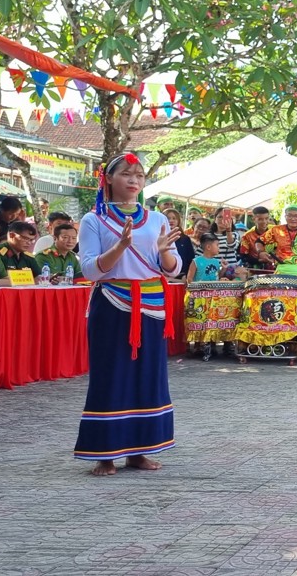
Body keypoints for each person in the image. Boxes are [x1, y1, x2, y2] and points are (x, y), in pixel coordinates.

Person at [74, 152, 182, 476]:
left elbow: (173, 270)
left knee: (149, 378)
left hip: (150, 306)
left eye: (139, 175)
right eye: (126, 174)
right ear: (108, 178)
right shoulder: (94, 220)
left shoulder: (158, 220)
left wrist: (164, 253)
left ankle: (140, 451)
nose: (134, 180)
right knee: (111, 377)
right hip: (112, 304)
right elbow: (91, 270)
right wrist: (120, 247)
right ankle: (104, 454)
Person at [185, 233, 223, 361]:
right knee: (199, 321)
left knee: (211, 321)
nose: (219, 248)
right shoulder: (196, 261)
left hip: (214, 297)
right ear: (208, 246)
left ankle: (211, 345)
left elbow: (217, 276)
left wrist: (224, 271)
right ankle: (198, 346)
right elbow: (190, 279)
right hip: (199, 297)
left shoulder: (217, 262)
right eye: (217, 245)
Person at [239, 206, 277, 271]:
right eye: (260, 219)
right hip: (255, 269)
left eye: (267, 218)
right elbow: (243, 256)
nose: (264, 222)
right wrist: (259, 260)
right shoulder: (247, 236)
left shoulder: (276, 231)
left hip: (275, 268)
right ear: (253, 219)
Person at [163, 209, 195, 281]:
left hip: (182, 277)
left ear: (178, 221)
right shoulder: (158, 238)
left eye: (174, 218)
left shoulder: (185, 239)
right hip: (162, 277)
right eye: (168, 218)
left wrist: (186, 275)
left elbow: (190, 260)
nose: (171, 220)